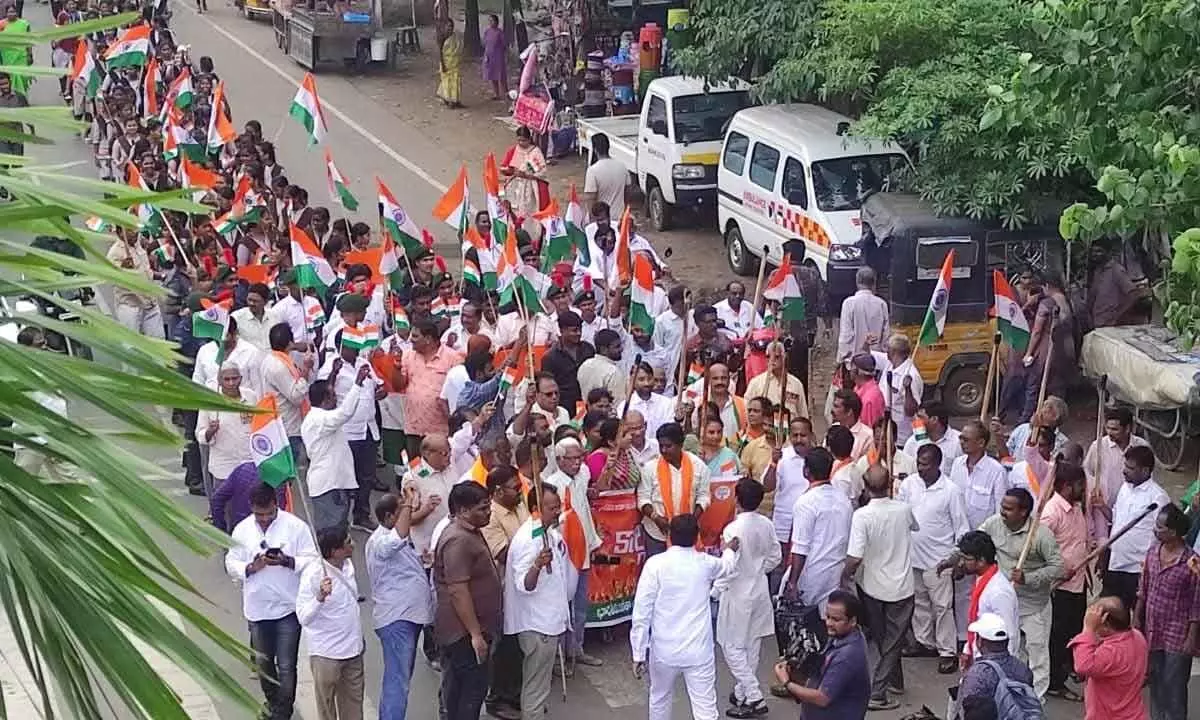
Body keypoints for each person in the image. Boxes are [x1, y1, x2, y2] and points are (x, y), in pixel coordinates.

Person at [224, 483, 318, 720]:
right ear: (251, 508)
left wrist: (288, 562)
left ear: (276, 505)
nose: (265, 519)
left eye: (269, 513)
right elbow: (230, 562)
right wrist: (250, 567)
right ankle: (273, 703)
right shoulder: (242, 530)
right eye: (259, 514)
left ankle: (281, 713)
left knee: (286, 667)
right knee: (265, 668)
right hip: (257, 609)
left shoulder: (296, 527)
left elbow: (312, 559)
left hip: (288, 608)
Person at [631, 514, 738, 720]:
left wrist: (638, 653)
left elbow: (642, 612)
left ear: (669, 535)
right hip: (698, 651)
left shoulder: (655, 565)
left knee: (659, 700)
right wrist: (730, 551)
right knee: (705, 709)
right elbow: (726, 567)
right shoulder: (705, 563)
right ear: (697, 536)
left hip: (664, 651)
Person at [843, 464, 917, 710]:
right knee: (892, 640)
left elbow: (855, 556)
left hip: (872, 586)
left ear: (865, 487)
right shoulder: (903, 510)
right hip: (901, 587)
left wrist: (846, 575)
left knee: (888, 639)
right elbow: (914, 527)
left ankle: (884, 688)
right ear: (889, 484)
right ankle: (882, 689)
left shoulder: (862, 515)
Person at [978, 487, 1063, 698]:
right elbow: (975, 541)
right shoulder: (993, 524)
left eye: (1008, 508)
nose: (1002, 512)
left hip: (1033, 606)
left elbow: (1058, 567)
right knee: (1008, 652)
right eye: (1002, 507)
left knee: (1037, 657)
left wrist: (1028, 578)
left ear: (1023, 512)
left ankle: (1035, 703)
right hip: (1005, 604)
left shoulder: (1042, 535)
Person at [433, 481, 502, 720]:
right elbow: (458, 590)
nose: (488, 512)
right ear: (463, 511)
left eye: (488, 506)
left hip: (472, 630)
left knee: (464, 691)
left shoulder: (469, 531)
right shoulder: (458, 540)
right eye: (482, 508)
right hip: (463, 634)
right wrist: (475, 635)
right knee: (469, 694)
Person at [505, 484, 574, 720]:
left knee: (540, 687)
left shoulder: (548, 532)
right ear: (536, 508)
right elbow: (524, 585)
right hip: (538, 626)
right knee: (535, 689)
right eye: (552, 508)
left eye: (558, 507)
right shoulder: (529, 540)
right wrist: (537, 565)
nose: (557, 512)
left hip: (550, 621)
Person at [899, 443, 969, 674]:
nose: (920, 468)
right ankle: (924, 642)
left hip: (939, 560)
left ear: (938, 464)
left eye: (925, 464)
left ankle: (947, 651)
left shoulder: (950, 490)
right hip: (913, 557)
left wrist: (957, 559)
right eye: (919, 463)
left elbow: (961, 527)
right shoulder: (909, 484)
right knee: (919, 603)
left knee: (942, 607)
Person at [714, 479, 781, 718]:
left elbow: (728, 567)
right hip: (759, 589)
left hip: (737, 592)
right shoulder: (766, 524)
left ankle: (753, 695)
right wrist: (758, 570)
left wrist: (714, 591)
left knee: (731, 646)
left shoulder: (733, 529)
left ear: (737, 499)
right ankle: (742, 693)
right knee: (752, 645)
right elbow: (776, 556)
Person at [366, 490, 434, 720]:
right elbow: (397, 539)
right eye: (402, 512)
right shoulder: (381, 541)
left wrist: (422, 560)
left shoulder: (396, 540)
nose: (409, 515)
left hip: (409, 616)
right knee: (398, 680)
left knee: (401, 677)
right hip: (397, 619)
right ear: (388, 518)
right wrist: (408, 504)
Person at [1134, 503, 1200, 720]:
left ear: (1173, 532)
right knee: (1156, 682)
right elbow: (1143, 590)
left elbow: (1196, 604)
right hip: (1153, 630)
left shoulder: (1191, 563)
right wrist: (1137, 620)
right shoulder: (1153, 553)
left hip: (1178, 634)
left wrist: (1191, 638)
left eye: (1160, 527)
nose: (1156, 530)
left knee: (1175, 686)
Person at [542, 438, 603, 669]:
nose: (578, 463)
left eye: (580, 457)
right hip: (563, 553)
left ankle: (577, 649)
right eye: (572, 459)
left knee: (580, 606)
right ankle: (558, 658)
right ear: (558, 460)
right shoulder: (551, 485)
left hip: (583, 549)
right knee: (561, 606)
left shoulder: (584, 475)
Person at [297, 526, 365, 720]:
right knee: (326, 709)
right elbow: (303, 616)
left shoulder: (349, 567)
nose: (353, 545)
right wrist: (319, 597)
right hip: (326, 656)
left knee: (354, 707)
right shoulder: (313, 575)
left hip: (353, 650)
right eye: (348, 543)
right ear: (335, 551)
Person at [318, 332, 386, 529]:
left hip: (369, 428)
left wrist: (380, 392)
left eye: (357, 346)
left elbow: (378, 386)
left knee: (366, 476)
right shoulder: (332, 366)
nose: (355, 351)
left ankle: (361, 515)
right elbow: (323, 396)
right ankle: (341, 520)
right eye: (350, 347)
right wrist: (333, 373)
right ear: (340, 346)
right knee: (346, 477)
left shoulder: (363, 362)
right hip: (347, 432)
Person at [771, 590, 870, 718]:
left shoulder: (847, 656)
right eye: (828, 617)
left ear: (852, 621)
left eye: (836, 619)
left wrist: (786, 682)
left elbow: (822, 698)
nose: (829, 623)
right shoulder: (841, 635)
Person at [481, 466, 530, 719]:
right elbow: (503, 553)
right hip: (503, 590)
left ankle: (516, 693)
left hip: (526, 587)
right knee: (505, 646)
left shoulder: (520, 506)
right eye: (515, 488)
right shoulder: (489, 516)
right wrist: (530, 545)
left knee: (520, 645)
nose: (520, 492)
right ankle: (498, 698)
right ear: (498, 491)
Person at [781, 447, 853, 615]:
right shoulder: (843, 500)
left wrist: (792, 584)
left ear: (806, 471)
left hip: (812, 576)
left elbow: (800, 548)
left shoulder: (806, 502)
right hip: (836, 573)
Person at [1102, 445, 1170, 609]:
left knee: (1137, 617)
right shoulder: (1125, 488)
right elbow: (1116, 521)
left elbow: (1164, 537)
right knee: (1110, 615)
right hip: (1116, 563)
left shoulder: (1158, 498)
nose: (1124, 471)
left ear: (1145, 471)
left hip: (1138, 569)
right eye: (1125, 466)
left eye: (1130, 468)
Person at [302, 367, 368, 534]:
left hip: (333, 484)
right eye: (333, 395)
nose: (337, 398)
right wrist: (357, 384)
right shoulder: (319, 419)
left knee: (339, 532)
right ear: (325, 399)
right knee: (331, 535)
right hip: (328, 485)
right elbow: (345, 413)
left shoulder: (320, 417)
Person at [1069, 596, 1149, 720]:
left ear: (1106, 624)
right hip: (1134, 714)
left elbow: (1082, 665)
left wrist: (1087, 629)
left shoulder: (1112, 652)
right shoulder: (1137, 637)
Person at [638, 423, 711, 557]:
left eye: (668, 446)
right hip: (657, 534)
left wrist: (691, 521)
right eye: (661, 446)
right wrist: (657, 518)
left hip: (687, 535)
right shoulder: (650, 468)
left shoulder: (698, 466)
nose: (664, 450)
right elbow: (643, 499)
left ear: (680, 444)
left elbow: (704, 496)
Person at [396, 319, 464, 459]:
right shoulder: (408, 355)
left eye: (415, 336)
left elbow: (461, 393)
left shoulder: (453, 358)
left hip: (440, 431)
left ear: (428, 339)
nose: (410, 340)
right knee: (417, 472)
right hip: (414, 430)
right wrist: (396, 369)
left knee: (439, 469)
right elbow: (399, 385)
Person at [949, 531, 1019, 660]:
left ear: (981, 560)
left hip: (994, 665)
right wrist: (967, 650)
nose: (961, 563)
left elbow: (1009, 634)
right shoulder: (983, 581)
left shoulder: (999, 592)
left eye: (967, 559)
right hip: (981, 657)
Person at [1084, 406, 1150, 538]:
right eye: (1107, 428)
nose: (1109, 432)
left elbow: (1147, 479)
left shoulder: (1142, 447)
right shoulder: (1098, 446)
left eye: (1115, 429)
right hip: (1102, 510)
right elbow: (1087, 472)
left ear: (1127, 429)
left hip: (1129, 511)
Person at [197, 363, 258, 498]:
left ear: (241, 379)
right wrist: (210, 431)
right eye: (226, 379)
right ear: (219, 380)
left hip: (248, 464)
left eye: (234, 378)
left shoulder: (251, 397)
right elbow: (200, 435)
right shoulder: (210, 402)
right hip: (223, 468)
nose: (231, 383)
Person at [955, 613, 1035, 712]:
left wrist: (965, 677)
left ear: (980, 641)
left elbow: (967, 711)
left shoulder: (977, 675)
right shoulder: (1023, 669)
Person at [262, 323, 315, 464]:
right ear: (290, 343)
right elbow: (296, 396)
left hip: (284, 423)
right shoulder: (278, 366)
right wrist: (306, 368)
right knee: (292, 471)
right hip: (288, 427)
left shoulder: (272, 360)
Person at [1088, 239, 1151, 328]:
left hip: (1112, 325)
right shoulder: (1097, 271)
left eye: (1099, 251)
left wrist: (1118, 315)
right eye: (1092, 251)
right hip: (1099, 323)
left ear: (1108, 252)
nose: (1094, 254)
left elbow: (1133, 294)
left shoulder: (1116, 270)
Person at [541, 311, 594, 414]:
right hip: (565, 407)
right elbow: (548, 385)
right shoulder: (550, 357)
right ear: (562, 330)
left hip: (587, 403)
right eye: (574, 330)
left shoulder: (588, 349)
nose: (578, 333)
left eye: (580, 329)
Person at [744, 341, 808, 421]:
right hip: (765, 431)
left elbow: (803, 414)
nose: (772, 360)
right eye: (768, 357)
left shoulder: (796, 384)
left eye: (776, 357)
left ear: (784, 357)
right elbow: (746, 411)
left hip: (789, 431)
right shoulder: (756, 383)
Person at [837, 266, 889, 361]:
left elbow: (846, 335)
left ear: (857, 282)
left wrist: (843, 358)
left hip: (854, 361)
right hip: (875, 361)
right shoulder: (881, 304)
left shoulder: (849, 303)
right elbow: (885, 336)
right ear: (874, 283)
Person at [903, 402, 963, 476]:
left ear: (934, 419)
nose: (916, 421)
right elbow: (906, 469)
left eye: (920, 417)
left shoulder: (959, 442)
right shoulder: (913, 442)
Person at [501, 126, 549, 218]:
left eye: (523, 140)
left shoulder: (536, 152)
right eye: (519, 140)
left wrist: (526, 175)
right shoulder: (513, 150)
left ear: (529, 139)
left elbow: (542, 172)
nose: (521, 143)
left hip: (531, 189)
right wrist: (508, 171)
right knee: (515, 212)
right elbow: (504, 167)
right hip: (515, 187)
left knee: (531, 213)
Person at [583, 133, 629, 220]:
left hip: (602, 220)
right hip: (620, 218)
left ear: (595, 150)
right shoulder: (622, 166)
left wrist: (592, 219)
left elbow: (590, 198)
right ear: (608, 147)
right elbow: (627, 193)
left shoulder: (593, 171)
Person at [578, 328, 625, 408]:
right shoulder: (613, 372)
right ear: (604, 350)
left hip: (585, 415)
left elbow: (580, 399)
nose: (621, 349)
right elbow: (618, 406)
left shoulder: (584, 365)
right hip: (604, 418)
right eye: (617, 346)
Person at [232, 282, 279, 351]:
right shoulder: (236, 317)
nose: (251, 303)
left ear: (265, 302)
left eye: (255, 301)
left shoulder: (274, 316)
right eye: (249, 300)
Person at [0, 7, 32, 98]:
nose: (11, 14)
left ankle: (22, 97)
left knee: (23, 78)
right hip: (7, 56)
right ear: (6, 13)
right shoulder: (1, 24)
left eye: (13, 11)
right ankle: (14, 99)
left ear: (17, 12)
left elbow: (29, 40)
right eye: (9, 12)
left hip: (21, 56)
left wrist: (30, 54)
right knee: (11, 78)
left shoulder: (24, 24)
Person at [849, 353, 886, 428]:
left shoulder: (870, 398)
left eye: (851, 368)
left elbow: (869, 429)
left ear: (857, 372)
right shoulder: (858, 387)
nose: (849, 371)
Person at [436, 17, 463, 107]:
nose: (450, 28)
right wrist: (443, 64)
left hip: (455, 62)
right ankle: (449, 100)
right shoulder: (442, 37)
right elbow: (440, 52)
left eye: (451, 26)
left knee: (456, 81)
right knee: (447, 82)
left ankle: (456, 100)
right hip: (446, 62)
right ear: (444, 27)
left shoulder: (455, 37)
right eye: (448, 26)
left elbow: (458, 48)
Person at [480, 14, 507, 100]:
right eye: (490, 21)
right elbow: (484, 43)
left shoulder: (499, 32)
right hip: (489, 56)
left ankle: (506, 93)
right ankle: (497, 94)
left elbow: (504, 44)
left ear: (497, 22)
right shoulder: (487, 32)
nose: (491, 23)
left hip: (498, 57)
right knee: (492, 76)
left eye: (492, 21)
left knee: (501, 75)